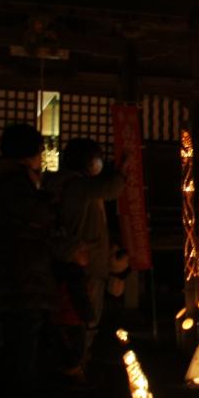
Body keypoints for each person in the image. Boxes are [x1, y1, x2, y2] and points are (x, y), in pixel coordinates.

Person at [0, 123, 57, 391]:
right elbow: (37, 215)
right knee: (22, 337)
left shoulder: (1, 178)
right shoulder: (14, 182)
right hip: (21, 274)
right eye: (39, 152)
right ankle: (19, 395)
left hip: (11, 271)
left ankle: (15, 388)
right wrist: (44, 197)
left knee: (16, 336)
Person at [46, 138, 125, 380]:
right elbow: (113, 189)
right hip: (84, 261)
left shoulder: (64, 184)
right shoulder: (78, 186)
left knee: (77, 312)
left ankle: (77, 361)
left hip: (76, 257)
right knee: (83, 314)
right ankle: (74, 364)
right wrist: (123, 171)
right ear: (88, 162)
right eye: (97, 158)